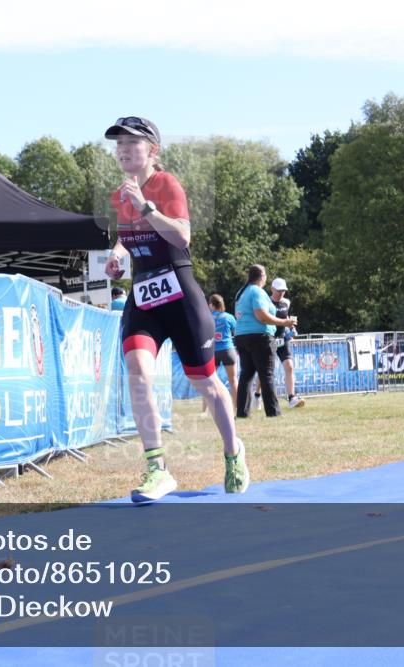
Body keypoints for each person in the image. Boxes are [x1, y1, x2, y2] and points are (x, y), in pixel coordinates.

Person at [103, 115, 247, 503]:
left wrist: (146, 206)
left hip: (179, 294)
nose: (123, 150)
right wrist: (117, 257)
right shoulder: (121, 195)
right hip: (145, 297)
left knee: (207, 384)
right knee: (137, 373)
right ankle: (157, 468)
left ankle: (234, 451)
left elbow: (182, 235)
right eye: (119, 144)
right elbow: (126, 239)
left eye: (132, 143)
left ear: (153, 150)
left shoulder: (166, 185)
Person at [234, 265, 296, 418]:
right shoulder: (257, 291)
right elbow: (261, 316)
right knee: (266, 375)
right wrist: (284, 323)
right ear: (262, 276)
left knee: (246, 375)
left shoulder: (241, 293)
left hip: (242, 337)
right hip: (259, 337)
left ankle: (242, 412)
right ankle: (273, 412)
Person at [200, 294, 238, 417]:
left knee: (209, 382)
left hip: (212, 352)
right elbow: (237, 331)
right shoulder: (229, 317)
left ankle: (204, 411)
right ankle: (236, 409)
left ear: (211, 305)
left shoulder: (206, 317)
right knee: (233, 381)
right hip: (228, 350)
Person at [270, 277, 305, 408]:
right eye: (278, 290)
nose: (281, 293)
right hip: (269, 340)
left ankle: (291, 398)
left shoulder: (286, 302)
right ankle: (257, 395)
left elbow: (286, 317)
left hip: (283, 339)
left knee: (289, 366)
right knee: (267, 371)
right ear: (272, 289)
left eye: (283, 291)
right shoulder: (266, 302)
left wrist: (292, 328)